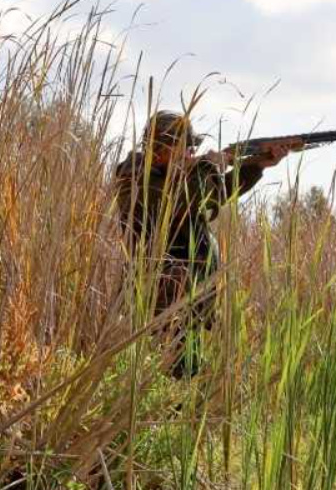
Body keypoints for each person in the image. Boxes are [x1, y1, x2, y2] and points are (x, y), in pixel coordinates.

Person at [111, 112, 297, 377]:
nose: (190, 153)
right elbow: (191, 200)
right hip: (160, 305)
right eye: (186, 147)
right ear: (162, 148)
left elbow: (213, 195)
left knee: (182, 379)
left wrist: (256, 165)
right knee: (165, 381)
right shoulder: (135, 178)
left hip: (184, 304)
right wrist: (209, 165)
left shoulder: (175, 179)